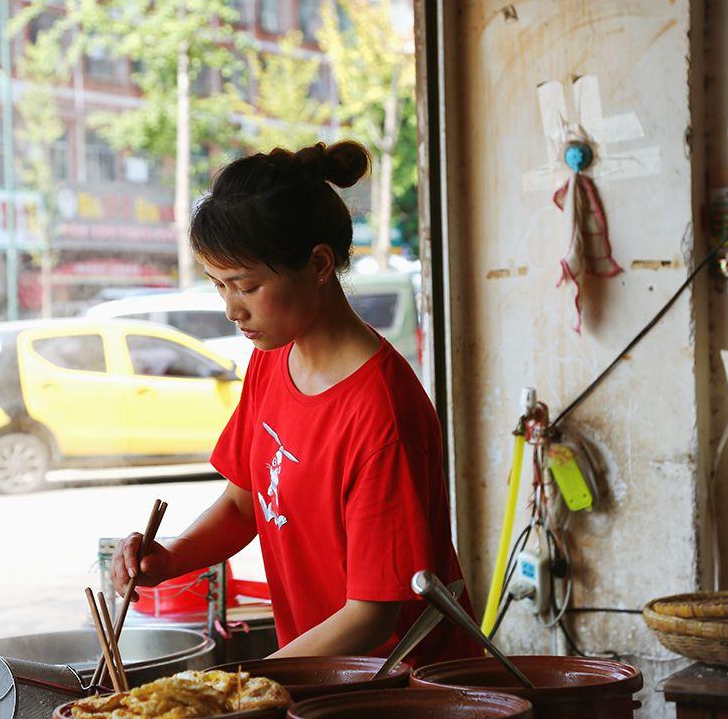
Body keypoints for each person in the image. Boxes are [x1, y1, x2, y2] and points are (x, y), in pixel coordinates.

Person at [108, 140, 479, 665]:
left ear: (320, 264)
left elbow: (372, 615)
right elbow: (245, 505)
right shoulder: (272, 360)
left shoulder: (381, 412)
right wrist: (169, 558)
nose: (232, 310)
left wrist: (248, 683)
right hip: (318, 678)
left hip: (400, 688)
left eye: (247, 286)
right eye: (219, 286)